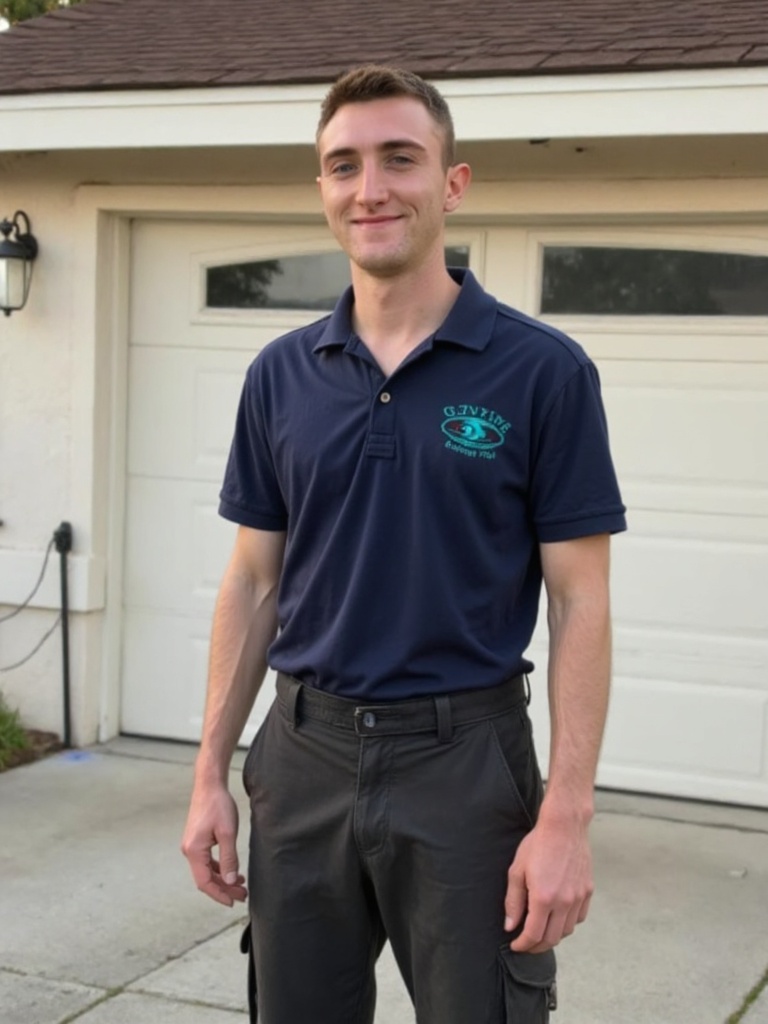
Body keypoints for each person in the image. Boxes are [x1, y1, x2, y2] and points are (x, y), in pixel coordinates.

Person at [182, 64, 626, 1024]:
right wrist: (209, 772)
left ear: (452, 183)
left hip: (465, 764)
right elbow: (253, 582)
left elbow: (580, 600)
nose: (370, 188)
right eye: (344, 165)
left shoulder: (543, 373)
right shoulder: (280, 375)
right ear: (322, 189)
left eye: (399, 159)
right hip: (302, 756)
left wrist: (567, 814)